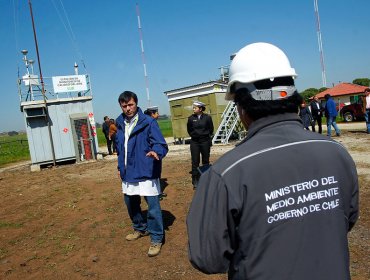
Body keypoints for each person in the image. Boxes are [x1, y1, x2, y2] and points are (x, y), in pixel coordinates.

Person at [187, 42, 359, 280]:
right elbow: (346, 219)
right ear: (291, 92)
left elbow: (208, 257)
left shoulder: (225, 174)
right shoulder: (336, 153)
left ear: (241, 104)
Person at [115, 91, 168, 257]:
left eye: (130, 105)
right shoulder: (119, 124)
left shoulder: (149, 122)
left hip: (146, 170)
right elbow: (120, 149)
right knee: (130, 202)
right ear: (121, 106)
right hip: (128, 171)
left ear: (136, 103)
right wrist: (120, 167)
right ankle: (140, 228)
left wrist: (156, 152)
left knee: (152, 207)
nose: (128, 108)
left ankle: (156, 238)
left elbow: (161, 144)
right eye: (125, 106)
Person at [186, 101, 214, 189]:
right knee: (195, 161)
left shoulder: (207, 118)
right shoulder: (191, 118)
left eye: (195, 107)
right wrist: (195, 136)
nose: (193, 109)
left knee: (205, 160)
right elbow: (189, 130)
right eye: (193, 107)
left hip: (205, 141)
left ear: (200, 109)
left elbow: (211, 129)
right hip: (195, 142)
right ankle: (195, 180)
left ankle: (206, 179)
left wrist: (205, 136)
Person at [144, 106, 167, 199]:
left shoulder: (147, 122)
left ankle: (157, 193)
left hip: (153, 151)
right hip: (152, 153)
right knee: (154, 174)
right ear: (152, 114)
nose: (158, 115)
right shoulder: (150, 123)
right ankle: (156, 194)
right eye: (156, 113)